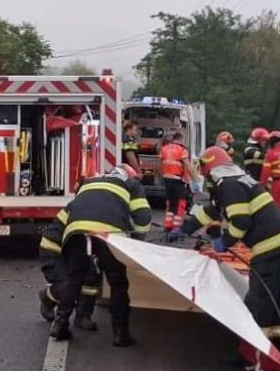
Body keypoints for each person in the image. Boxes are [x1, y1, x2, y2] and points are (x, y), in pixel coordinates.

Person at [174, 146, 280, 360]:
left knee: (259, 301)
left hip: (269, 246)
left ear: (210, 167)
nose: (205, 176)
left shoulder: (229, 185)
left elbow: (241, 220)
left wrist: (225, 241)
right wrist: (184, 229)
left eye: (205, 171)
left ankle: (251, 353)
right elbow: (212, 210)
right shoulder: (237, 181)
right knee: (279, 298)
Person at [47, 164, 152, 346]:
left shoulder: (88, 183)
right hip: (108, 235)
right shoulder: (131, 184)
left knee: (74, 278)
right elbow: (143, 218)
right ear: (128, 176)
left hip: (76, 232)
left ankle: (60, 325)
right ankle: (120, 334)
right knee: (118, 284)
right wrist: (134, 242)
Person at [38, 181, 102, 331]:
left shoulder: (96, 206)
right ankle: (47, 297)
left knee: (92, 278)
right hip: (54, 250)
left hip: (77, 249)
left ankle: (83, 315)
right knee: (67, 285)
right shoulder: (79, 207)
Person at [160, 131, 193, 231]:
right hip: (178, 179)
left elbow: (159, 164)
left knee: (171, 202)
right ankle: (176, 226)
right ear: (181, 139)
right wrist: (194, 178)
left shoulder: (164, 149)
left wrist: (161, 175)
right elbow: (187, 165)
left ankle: (168, 224)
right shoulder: (182, 150)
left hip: (166, 179)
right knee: (180, 203)